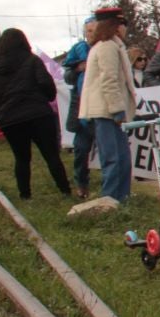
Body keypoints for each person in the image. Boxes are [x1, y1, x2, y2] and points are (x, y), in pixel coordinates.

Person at [0, 28, 72, 200]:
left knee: (21, 158)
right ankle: (65, 190)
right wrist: (46, 99)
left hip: (10, 119)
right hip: (38, 114)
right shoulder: (32, 61)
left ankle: (25, 195)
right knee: (51, 155)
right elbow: (47, 84)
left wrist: (0, 117)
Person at [69, 6, 136, 216]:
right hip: (107, 111)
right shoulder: (107, 46)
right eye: (121, 24)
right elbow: (109, 80)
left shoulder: (111, 45)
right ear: (114, 26)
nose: (124, 28)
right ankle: (112, 200)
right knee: (114, 157)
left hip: (109, 110)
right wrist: (117, 109)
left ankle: (121, 197)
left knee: (122, 156)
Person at [61, 18, 96, 198]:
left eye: (93, 31)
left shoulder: (105, 49)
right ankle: (81, 184)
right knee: (81, 150)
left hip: (100, 107)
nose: (90, 35)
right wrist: (76, 70)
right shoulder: (79, 50)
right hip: (81, 110)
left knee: (107, 150)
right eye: (87, 31)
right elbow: (67, 77)